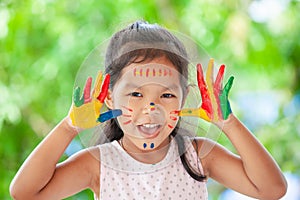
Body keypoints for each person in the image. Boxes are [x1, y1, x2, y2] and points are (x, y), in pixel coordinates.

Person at [10, 20, 287, 200]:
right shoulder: (98, 163)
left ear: (184, 98)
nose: (150, 108)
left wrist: (228, 123)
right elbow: (24, 193)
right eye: (135, 94)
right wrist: (68, 127)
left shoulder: (199, 155)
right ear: (108, 97)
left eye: (166, 94)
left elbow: (272, 189)